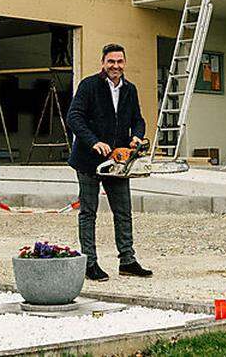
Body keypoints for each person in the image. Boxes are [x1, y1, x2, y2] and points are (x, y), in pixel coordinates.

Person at [66, 43, 153, 282]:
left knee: (123, 211)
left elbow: (138, 119)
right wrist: (93, 141)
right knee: (88, 212)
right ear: (103, 63)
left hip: (118, 161)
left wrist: (137, 135)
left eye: (120, 61)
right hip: (88, 161)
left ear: (124, 63)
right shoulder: (89, 85)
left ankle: (127, 260)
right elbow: (74, 117)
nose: (116, 66)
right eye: (111, 61)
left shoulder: (130, 89)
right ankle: (90, 263)